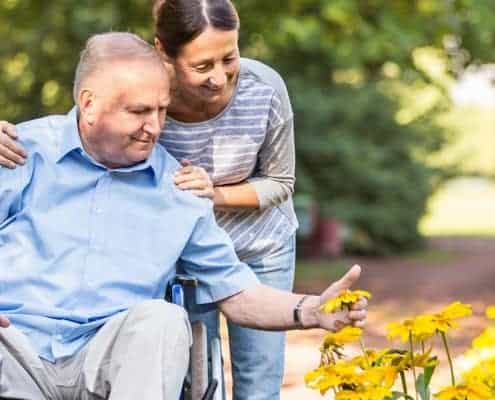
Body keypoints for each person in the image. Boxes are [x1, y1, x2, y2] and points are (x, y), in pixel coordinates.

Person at [0, 32, 367, 400]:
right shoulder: (19, 152)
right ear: (89, 104)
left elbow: (238, 292)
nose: (156, 127)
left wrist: (312, 310)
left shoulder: (178, 189)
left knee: (165, 320)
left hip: (110, 357)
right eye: (139, 111)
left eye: (161, 110)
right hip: (16, 347)